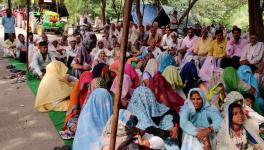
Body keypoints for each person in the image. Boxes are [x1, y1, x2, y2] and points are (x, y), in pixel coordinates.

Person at [60, 72, 93, 139]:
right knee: (73, 126)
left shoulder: (93, 91)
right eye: (86, 84)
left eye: (89, 84)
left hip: (89, 116)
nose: (88, 86)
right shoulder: (76, 91)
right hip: (77, 116)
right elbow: (75, 111)